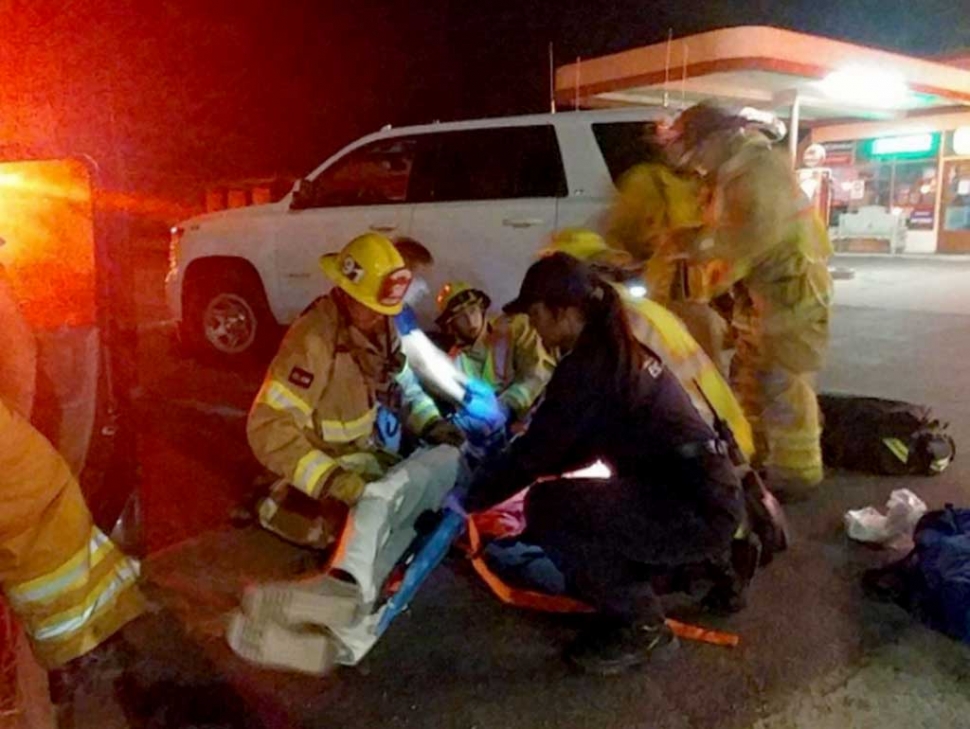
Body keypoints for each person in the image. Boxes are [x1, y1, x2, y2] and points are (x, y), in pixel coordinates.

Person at [464, 253, 743, 675]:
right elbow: (574, 449)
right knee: (581, 503)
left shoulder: (588, 367)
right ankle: (703, 566)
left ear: (566, 310)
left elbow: (537, 456)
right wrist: (525, 456)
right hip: (708, 497)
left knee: (548, 508)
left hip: (693, 511)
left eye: (536, 314)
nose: (533, 327)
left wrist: (468, 498)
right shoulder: (616, 349)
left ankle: (642, 626)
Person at [247, 232, 464, 549]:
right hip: (319, 465)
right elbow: (268, 427)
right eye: (372, 307)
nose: (381, 316)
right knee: (350, 535)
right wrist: (333, 481)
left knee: (417, 505)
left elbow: (402, 386)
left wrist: (432, 424)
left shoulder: (381, 325)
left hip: (358, 456)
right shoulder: (314, 341)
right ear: (348, 294)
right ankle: (272, 502)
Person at [665, 102, 833, 497]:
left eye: (697, 154)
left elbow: (744, 238)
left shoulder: (757, 173)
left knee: (785, 384)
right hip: (765, 299)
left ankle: (797, 477)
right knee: (752, 381)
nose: (697, 167)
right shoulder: (735, 172)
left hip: (792, 297)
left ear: (718, 138)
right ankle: (756, 462)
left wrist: (695, 254)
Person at [544, 229, 754, 462]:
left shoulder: (620, 323)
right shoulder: (638, 311)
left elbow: (601, 408)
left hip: (703, 452)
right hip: (720, 441)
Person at [435, 280, 553, 428]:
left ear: (481, 308)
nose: (471, 321)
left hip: (541, 413)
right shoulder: (453, 364)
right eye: (460, 317)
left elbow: (538, 374)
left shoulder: (515, 328)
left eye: (472, 310)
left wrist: (506, 405)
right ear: (450, 325)